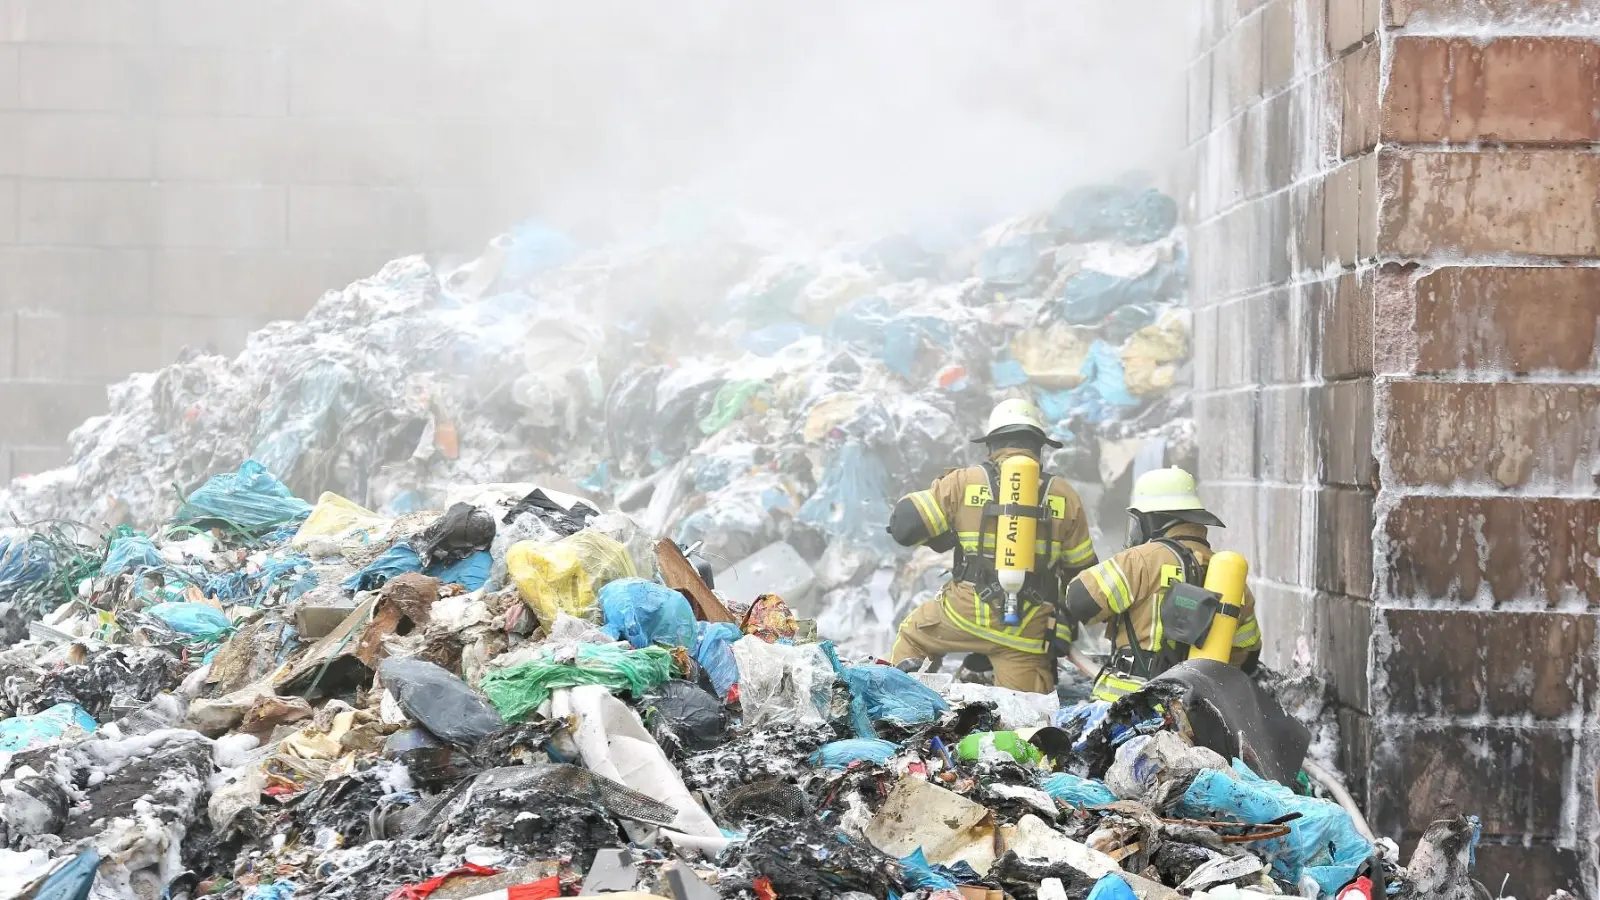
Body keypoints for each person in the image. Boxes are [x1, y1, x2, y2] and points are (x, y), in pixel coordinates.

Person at [886, 399, 1098, 693]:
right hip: (1024, 633)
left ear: (992, 444)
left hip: (963, 616)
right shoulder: (1064, 495)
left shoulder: (963, 481)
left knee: (914, 635)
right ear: (1039, 446)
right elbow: (1083, 578)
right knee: (1026, 716)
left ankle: (905, 707)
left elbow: (904, 527)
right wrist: (1062, 625)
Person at [1055, 466, 1262, 702]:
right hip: (1195, 709)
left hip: (1126, 707)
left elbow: (1079, 598)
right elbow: (1248, 655)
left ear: (1153, 519)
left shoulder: (1141, 560)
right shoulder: (1228, 578)